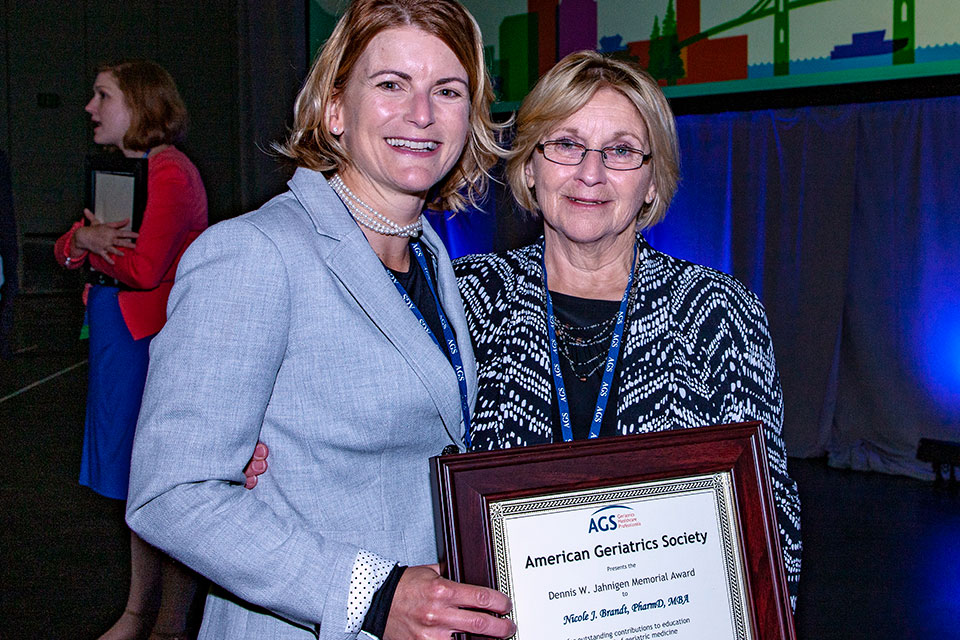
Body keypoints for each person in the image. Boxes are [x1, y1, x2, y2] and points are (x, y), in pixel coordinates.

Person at [125, 1, 515, 638]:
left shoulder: (430, 255)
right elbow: (173, 494)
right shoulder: (255, 253)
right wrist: (375, 595)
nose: (421, 114)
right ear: (335, 109)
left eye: (448, 91)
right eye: (391, 84)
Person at [453, 50, 802, 607]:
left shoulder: (716, 310)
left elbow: (771, 519)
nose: (590, 173)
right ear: (528, 166)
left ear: (652, 182)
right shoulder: (465, 298)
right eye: (566, 144)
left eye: (619, 151)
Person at [53, 60, 209, 639]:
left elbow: (142, 270)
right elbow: (71, 248)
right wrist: (83, 241)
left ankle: (162, 622)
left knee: (158, 482)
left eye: (103, 96)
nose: (91, 108)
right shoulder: (132, 169)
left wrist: (85, 245)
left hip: (149, 344)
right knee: (137, 485)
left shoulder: (168, 172)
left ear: (138, 103)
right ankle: (143, 615)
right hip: (123, 340)